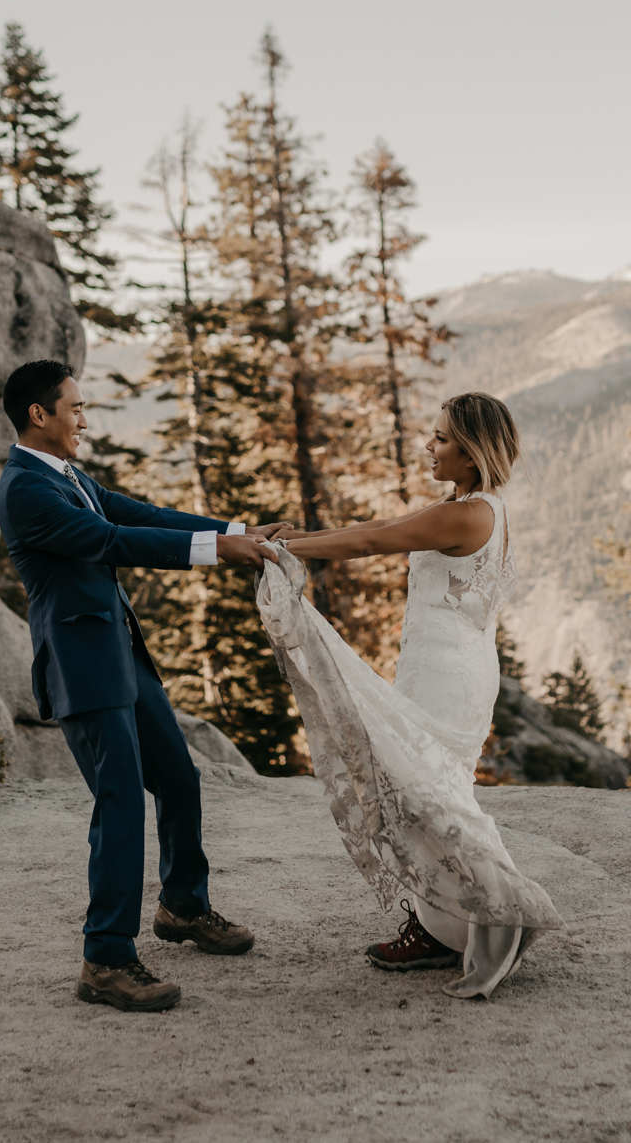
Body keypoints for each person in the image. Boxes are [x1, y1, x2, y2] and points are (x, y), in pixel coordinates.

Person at [0, 359, 287, 1013]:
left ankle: (183, 905)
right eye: (75, 407)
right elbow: (113, 538)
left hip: (121, 656)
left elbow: (143, 511)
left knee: (179, 777)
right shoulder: (24, 489)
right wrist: (217, 554)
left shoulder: (66, 474)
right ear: (39, 415)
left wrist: (235, 532)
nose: (84, 418)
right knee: (122, 801)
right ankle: (104, 957)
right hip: (82, 666)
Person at [251, 391, 562, 999]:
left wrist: (281, 550)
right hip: (447, 667)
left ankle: (494, 912)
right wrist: (296, 537)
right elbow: (378, 528)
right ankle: (441, 926)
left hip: (447, 674)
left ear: (472, 452)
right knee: (421, 793)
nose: (430, 446)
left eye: (442, 438)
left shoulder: (467, 516)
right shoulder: (472, 506)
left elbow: (373, 545)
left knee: (429, 796)